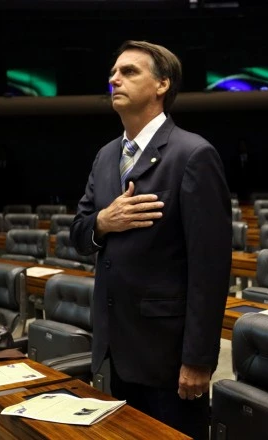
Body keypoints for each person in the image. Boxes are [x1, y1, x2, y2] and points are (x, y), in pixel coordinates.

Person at [70, 40, 232, 439]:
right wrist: (104, 222)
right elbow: (79, 234)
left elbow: (209, 271)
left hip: (167, 356)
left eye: (129, 72)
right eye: (113, 72)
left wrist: (198, 360)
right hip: (116, 349)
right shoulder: (107, 155)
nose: (114, 79)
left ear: (162, 85)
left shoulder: (193, 154)